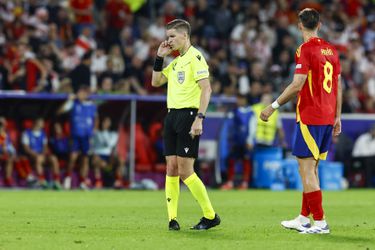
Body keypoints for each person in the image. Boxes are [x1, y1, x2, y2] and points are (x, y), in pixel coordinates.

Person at [260, 8, 342, 234]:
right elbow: (338, 85)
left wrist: (273, 106)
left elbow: (297, 85)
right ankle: (304, 218)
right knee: (312, 170)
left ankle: (321, 223)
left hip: (310, 116)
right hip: (327, 116)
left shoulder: (305, 49)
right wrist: (337, 116)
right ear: (320, 24)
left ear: (299, 25)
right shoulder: (332, 51)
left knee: (306, 171)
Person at [151, 19, 220, 231]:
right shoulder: (177, 61)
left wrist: (200, 117)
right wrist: (159, 57)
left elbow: (206, 89)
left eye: (172, 36)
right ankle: (172, 219)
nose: (168, 40)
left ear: (185, 36)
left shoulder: (195, 57)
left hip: (189, 116)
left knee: (186, 171)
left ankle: (210, 216)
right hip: (171, 116)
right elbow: (156, 82)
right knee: (171, 168)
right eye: (167, 36)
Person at [59, 86, 97, 189]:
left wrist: (94, 133)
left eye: (82, 92)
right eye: (79, 92)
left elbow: (95, 120)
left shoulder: (92, 106)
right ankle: (67, 179)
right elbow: (60, 111)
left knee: (85, 159)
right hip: (75, 135)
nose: (80, 94)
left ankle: (82, 181)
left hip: (86, 137)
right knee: (73, 157)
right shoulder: (74, 104)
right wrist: (68, 101)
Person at [220, 94, 253, 190]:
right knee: (231, 160)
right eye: (238, 99)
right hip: (235, 141)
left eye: (241, 99)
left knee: (246, 161)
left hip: (245, 141)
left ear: (245, 100)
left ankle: (245, 183)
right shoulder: (233, 112)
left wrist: (250, 140)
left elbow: (252, 127)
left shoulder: (250, 112)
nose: (239, 101)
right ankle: (230, 182)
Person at [21, 118, 61, 189]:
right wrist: (36, 154)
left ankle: (56, 181)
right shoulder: (26, 133)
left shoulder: (43, 134)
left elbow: (45, 147)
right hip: (32, 156)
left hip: (42, 155)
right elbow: (26, 148)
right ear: (36, 123)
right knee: (38, 158)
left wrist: (43, 153)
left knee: (53, 158)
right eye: (41, 123)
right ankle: (42, 180)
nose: (42, 125)